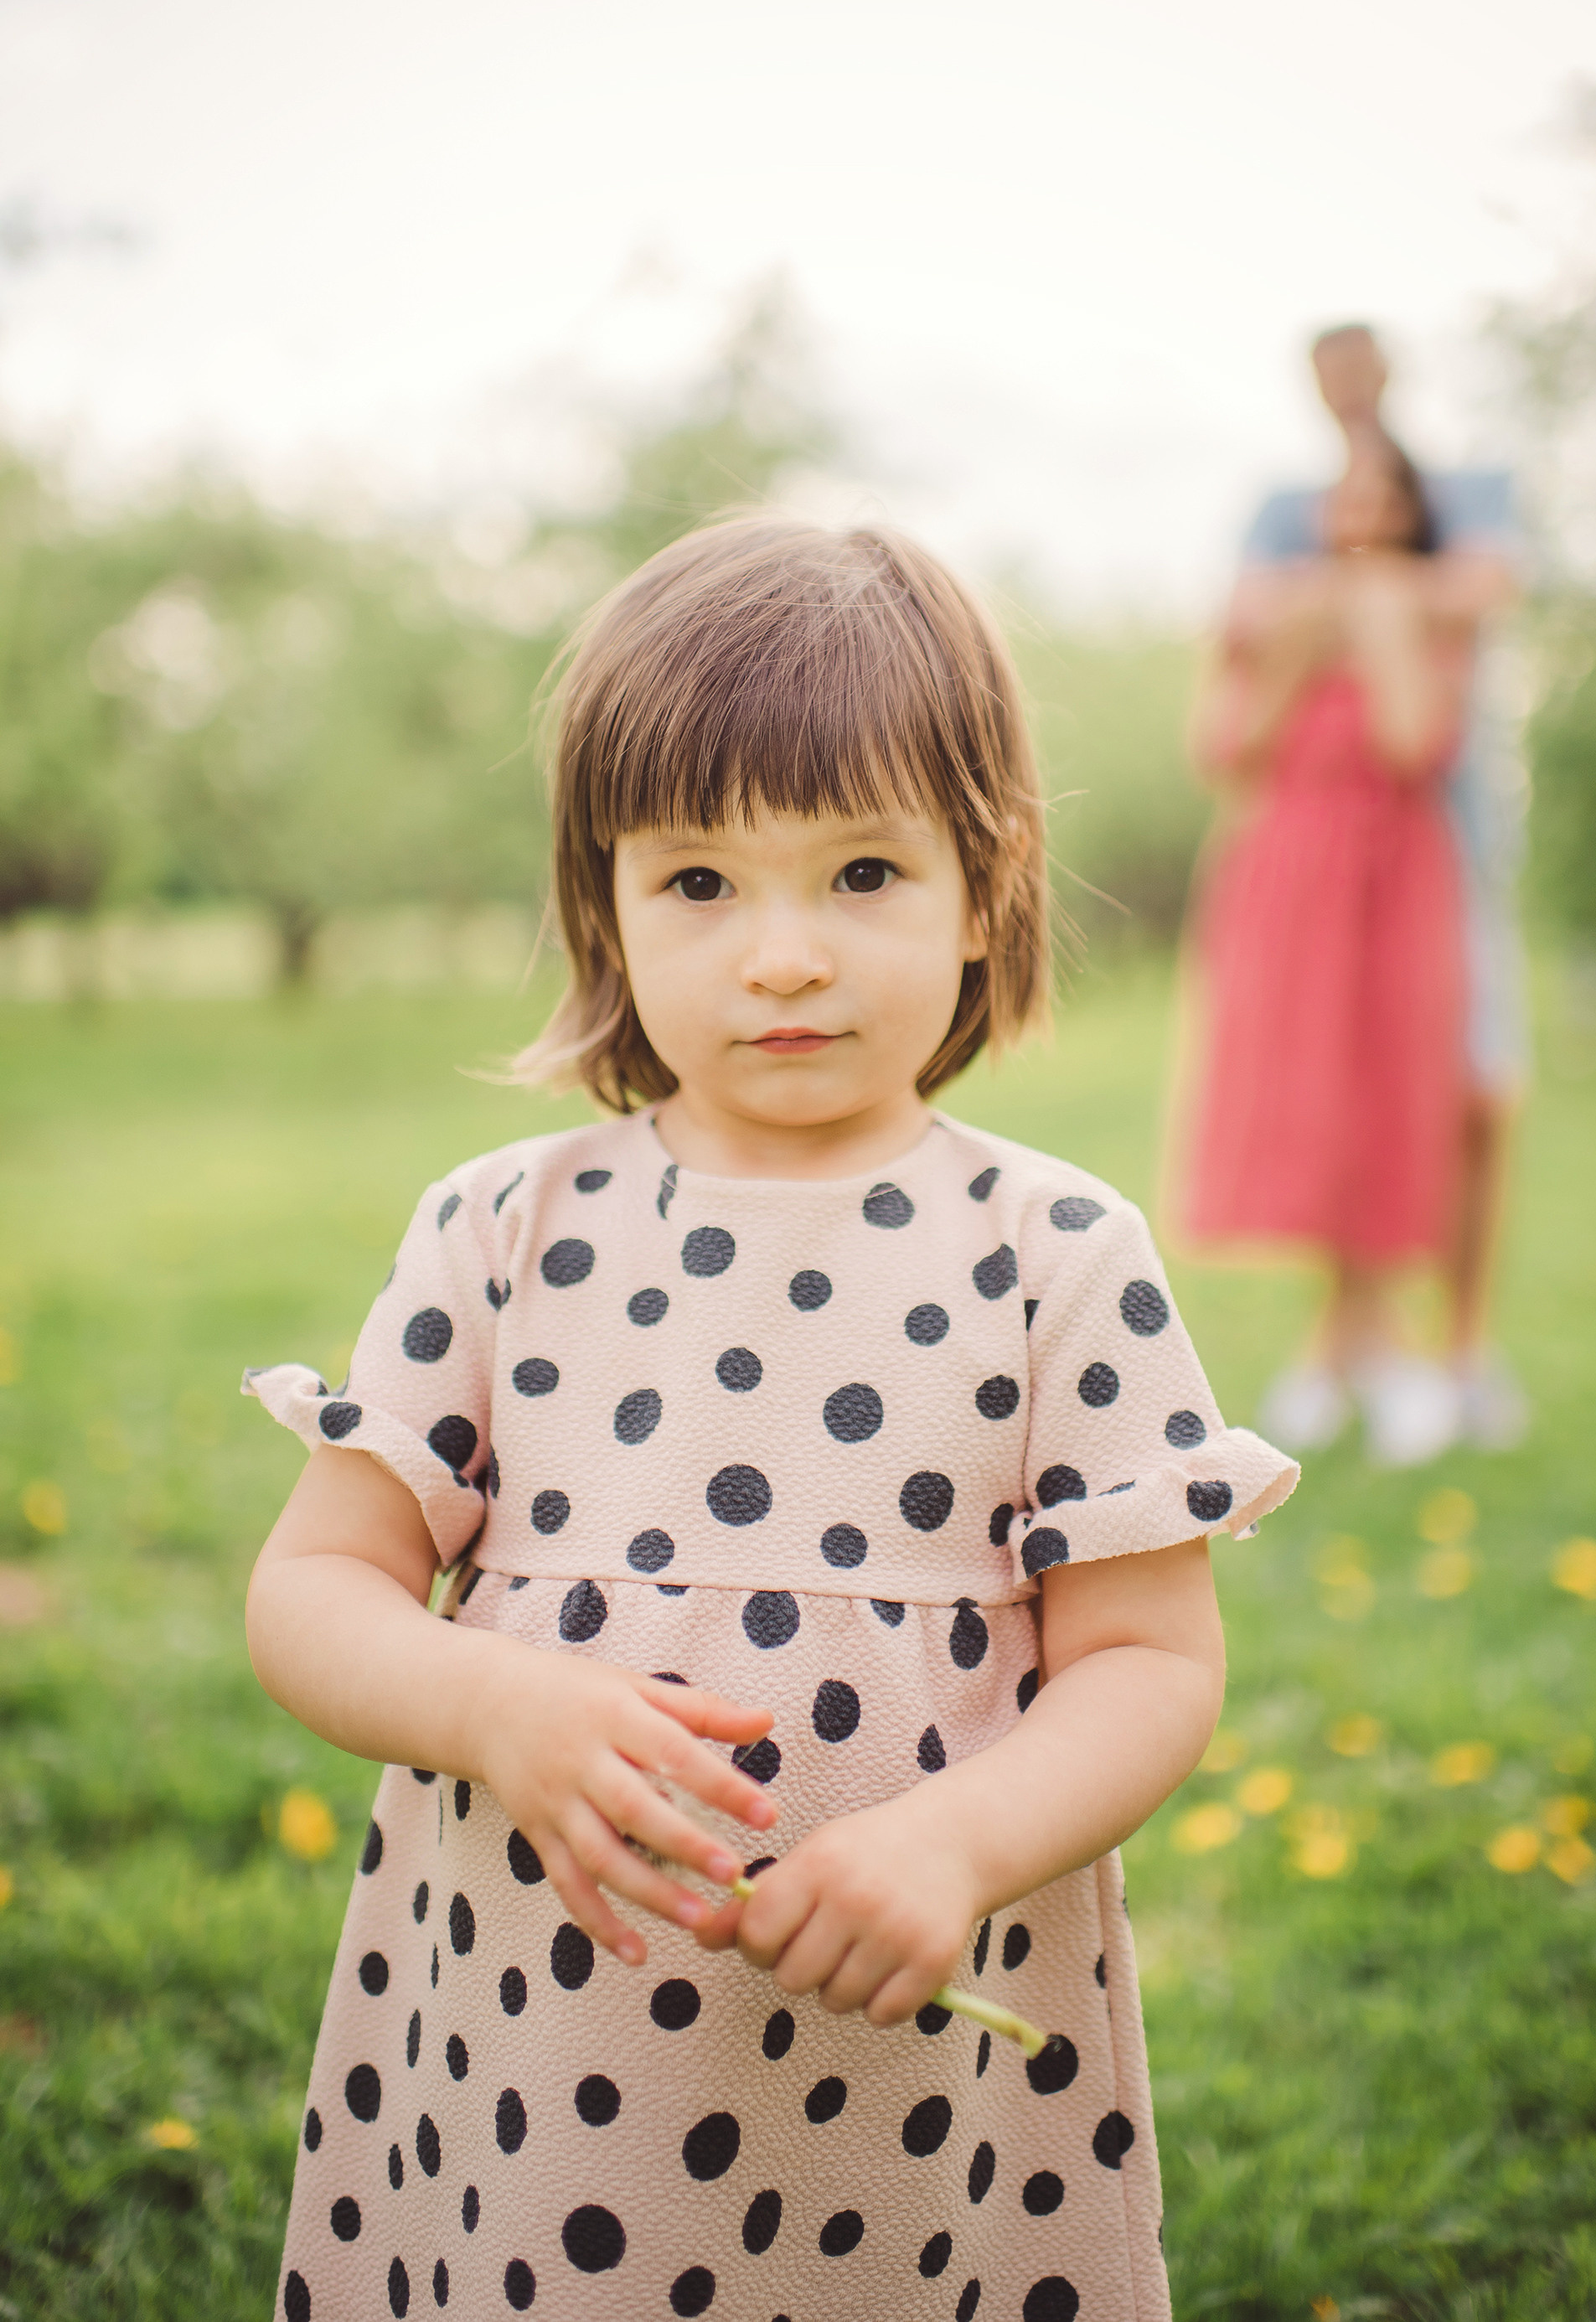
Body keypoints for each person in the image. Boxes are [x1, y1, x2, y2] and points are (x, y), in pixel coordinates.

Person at [242, 515, 1297, 2322]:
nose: (783, 956)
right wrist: (490, 1700)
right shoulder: (503, 1229)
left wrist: (957, 1845)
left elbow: (1149, 1666)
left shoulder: (1054, 1253)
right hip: (542, 2037)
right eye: (702, 883)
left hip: (908, 2067)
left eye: (863, 872)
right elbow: (315, 1587)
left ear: (986, 885)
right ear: (608, 901)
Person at [1180, 411, 1513, 1467]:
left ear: (1412, 518)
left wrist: (1374, 628)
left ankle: (1398, 1351)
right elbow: (1226, 748)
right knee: (1315, 1097)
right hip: (1291, 878)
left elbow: (1417, 738)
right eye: (1346, 500)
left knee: (1397, 1092)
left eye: (1384, 502)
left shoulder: (1424, 618)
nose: (1360, 519)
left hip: (1399, 876)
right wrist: (1296, 648)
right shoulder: (1270, 614)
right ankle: (1354, 1347)